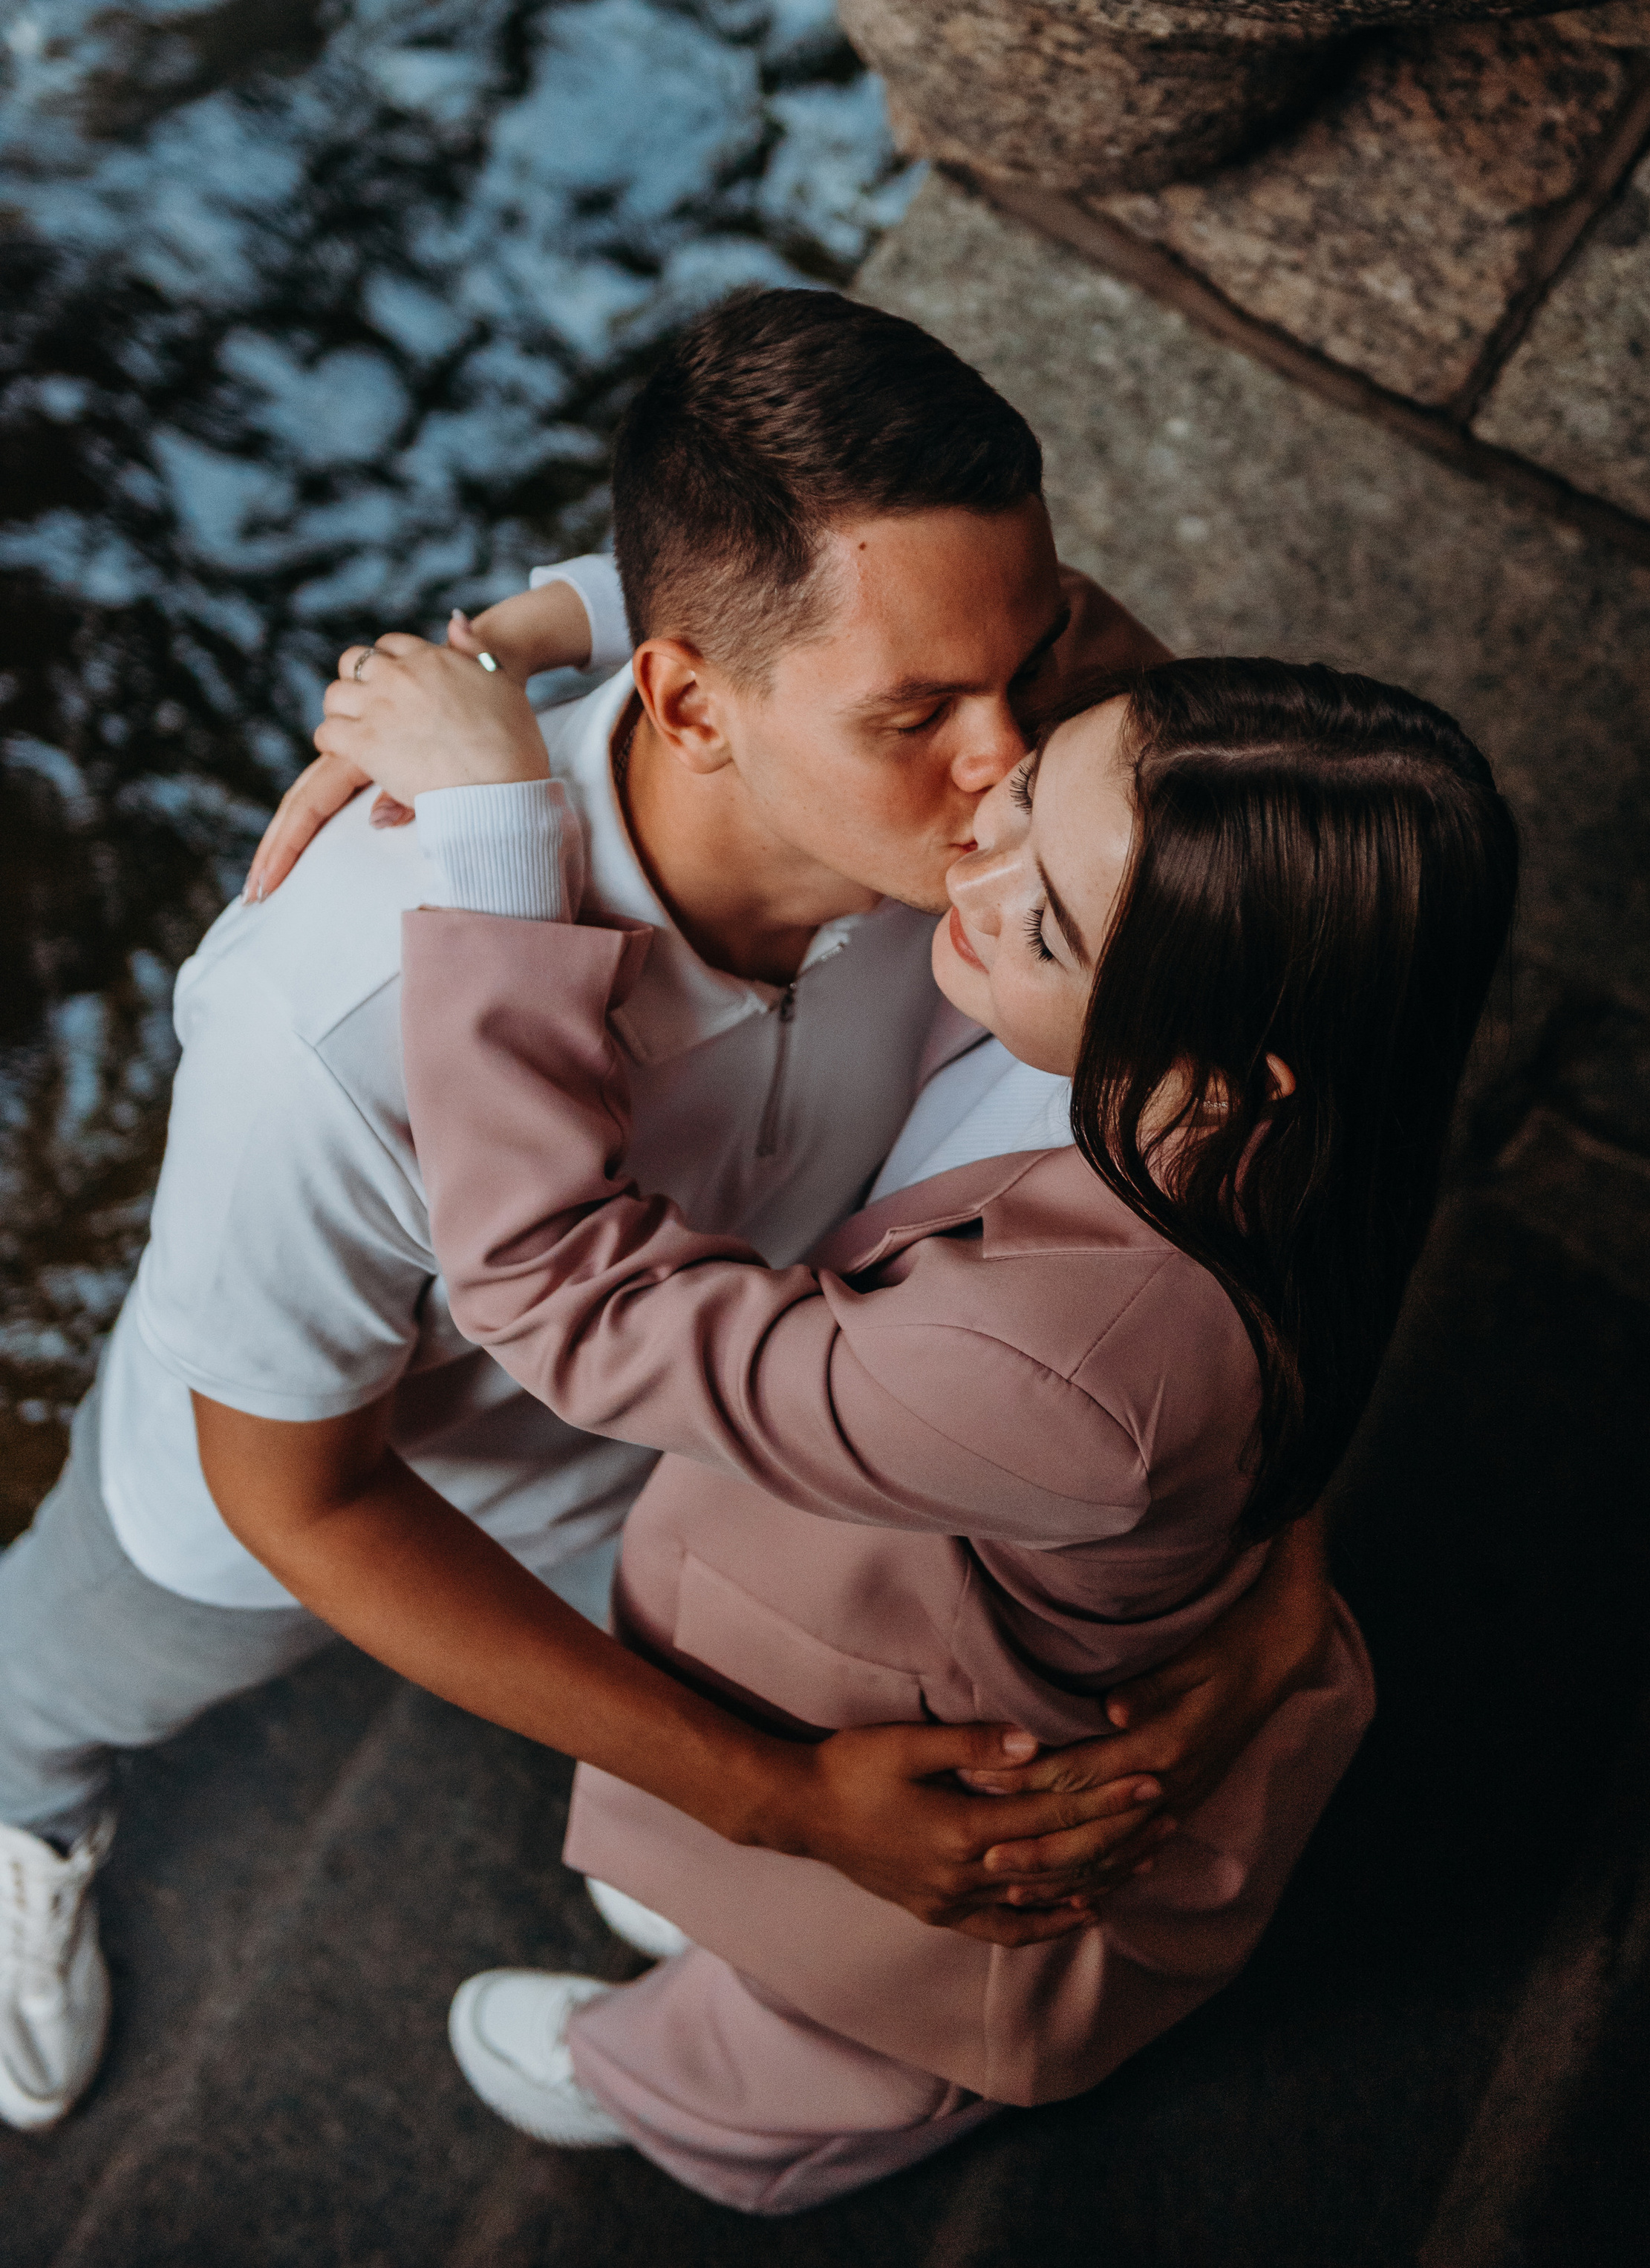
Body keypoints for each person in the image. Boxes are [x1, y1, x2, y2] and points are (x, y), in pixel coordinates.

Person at [0, 292, 1330, 2135]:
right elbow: (298, 1493)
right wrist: (773, 1806)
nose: (1013, 767)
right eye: (917, 717)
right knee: (58, 1675)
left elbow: (973, 640)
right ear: (689, 703)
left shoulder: (989, 815)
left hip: (716, 1448)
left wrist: (541, 613)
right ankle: (26, 1820)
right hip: (342, 1490)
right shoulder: (331, 1026)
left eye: (1020, 667)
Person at [318, 637, 1520, 2215]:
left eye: (1047, 915)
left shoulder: (1071, 1363)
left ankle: (695, 2100)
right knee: (776, 1890)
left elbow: (562, 1297)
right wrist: (544, 620)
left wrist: (492, 833)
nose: (972, 853)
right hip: (944, 1566)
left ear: (1237, 1063)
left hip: (980, 1741)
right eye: (1021, 791)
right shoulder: (1321, 1086)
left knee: (869, 1999)